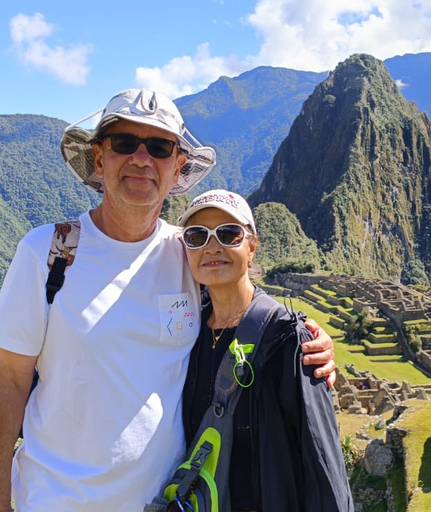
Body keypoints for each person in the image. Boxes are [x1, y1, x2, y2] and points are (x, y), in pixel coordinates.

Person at [0, 89, 336, 512]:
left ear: (177, 166)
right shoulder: (49, 253)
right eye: (125, 143)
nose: (141, 158)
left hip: (166, 503)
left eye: (159, 147)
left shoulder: (189, 252)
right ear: (100, 158)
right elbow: (8, 381)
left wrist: (307, 339)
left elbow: (244, 304)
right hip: (53, 500)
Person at [178, 190, 353, 511]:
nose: (212, 247)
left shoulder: (287, 339)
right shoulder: (186, 331)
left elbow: (323, 464)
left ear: (251, 246)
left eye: (229, 234)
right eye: (197, 236)